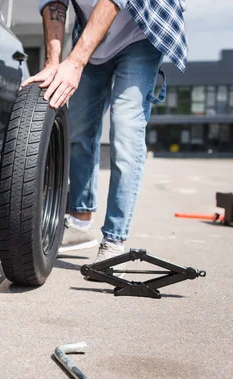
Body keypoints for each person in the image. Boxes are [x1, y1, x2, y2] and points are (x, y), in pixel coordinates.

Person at [20, 0, 187, 266]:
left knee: (125, 133)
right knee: (77, 129)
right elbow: (55, 3)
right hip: (94, 38)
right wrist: (53, 61)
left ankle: (114, 240)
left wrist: (74, 62)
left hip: (140, 36)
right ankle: (79, 221)